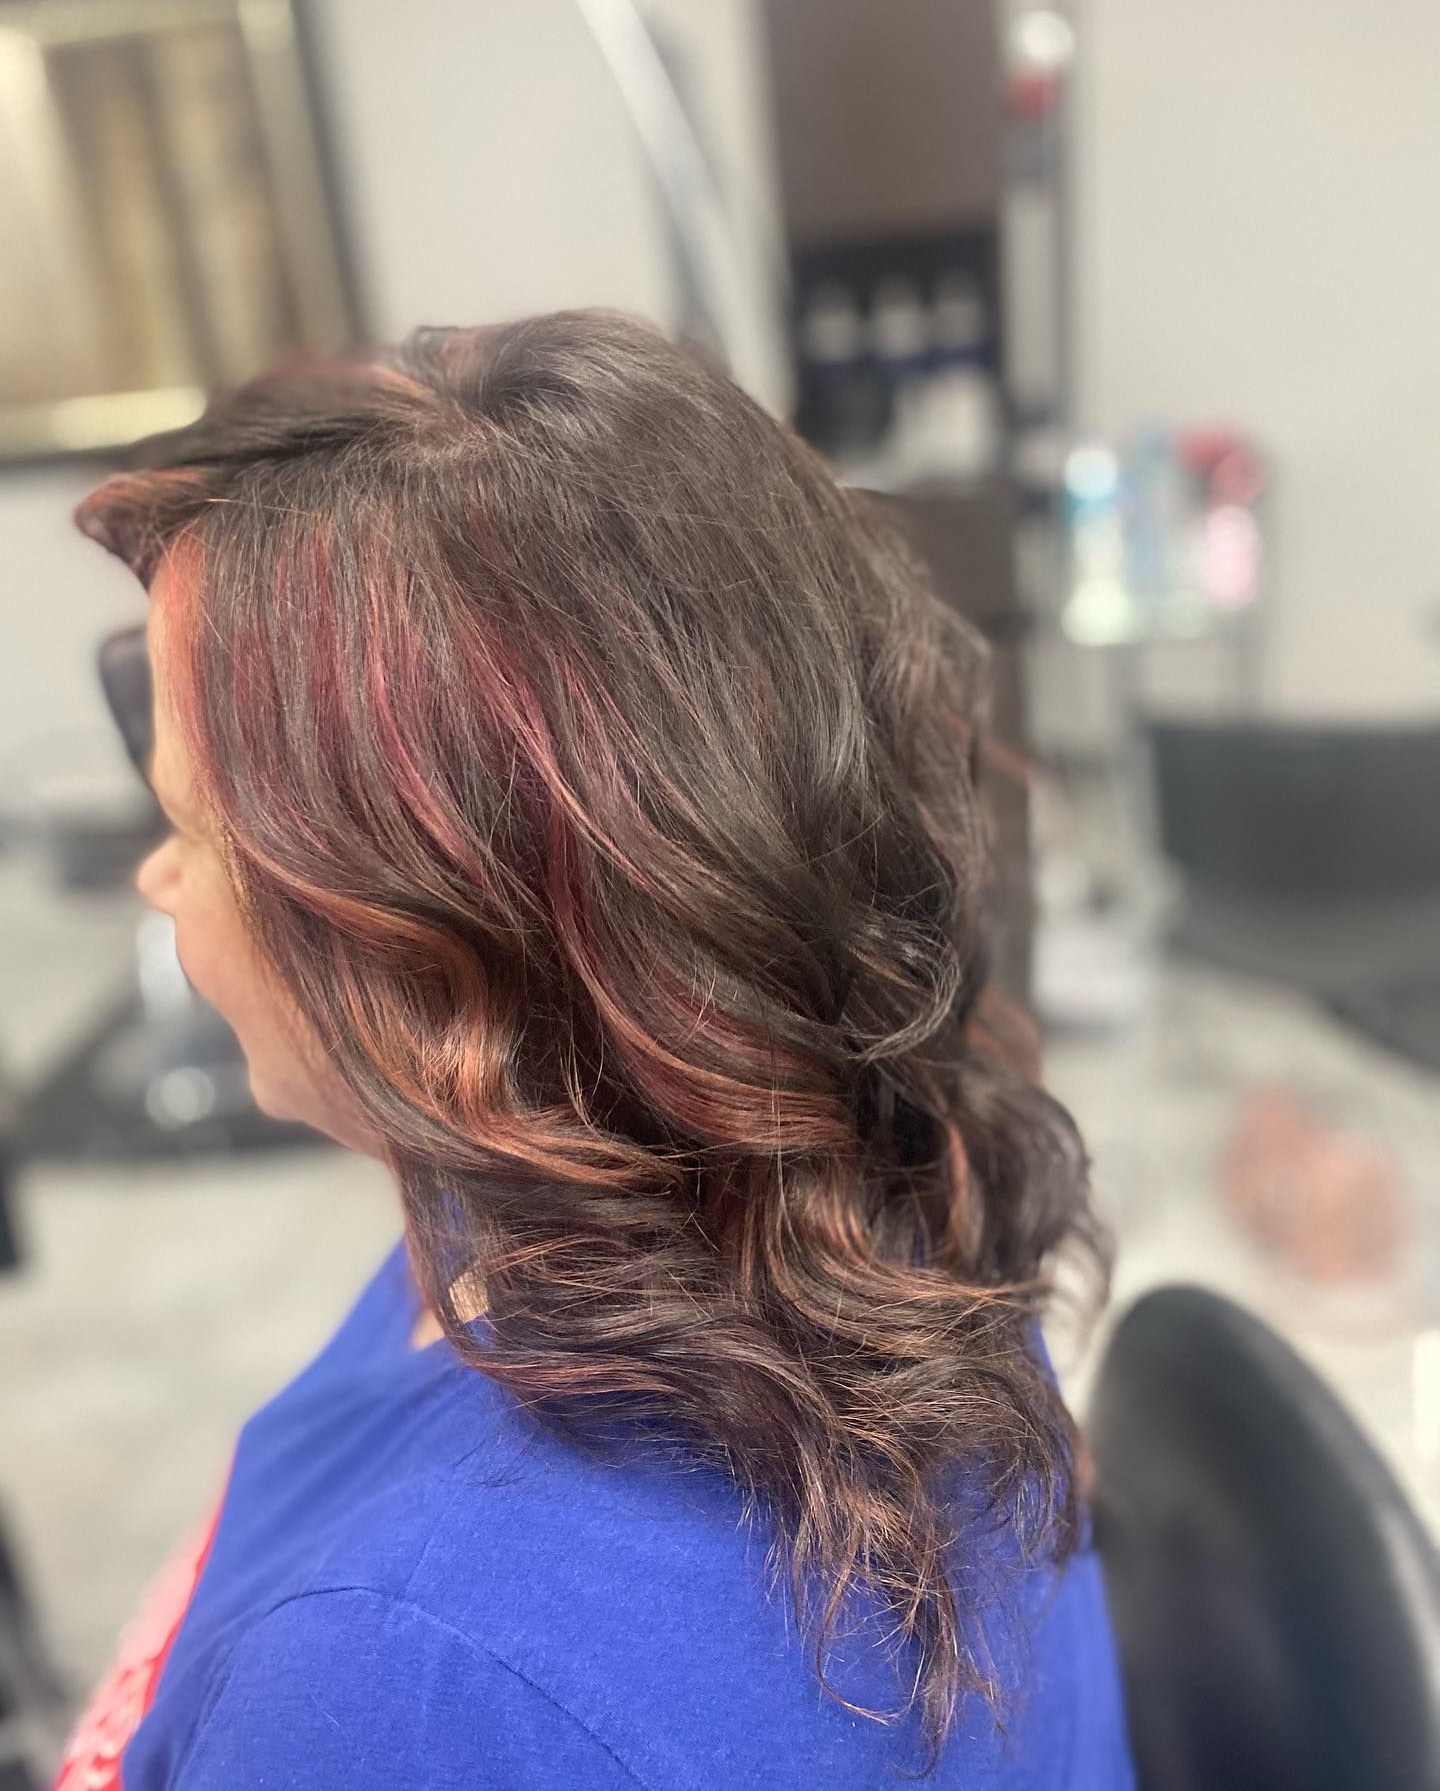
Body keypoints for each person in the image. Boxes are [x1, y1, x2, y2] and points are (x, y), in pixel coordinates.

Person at [58, 311, 1135, 1788]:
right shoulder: (858, 1186)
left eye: (188, 829)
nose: (156, 881)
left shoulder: (403, 1681)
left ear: (435, 952)